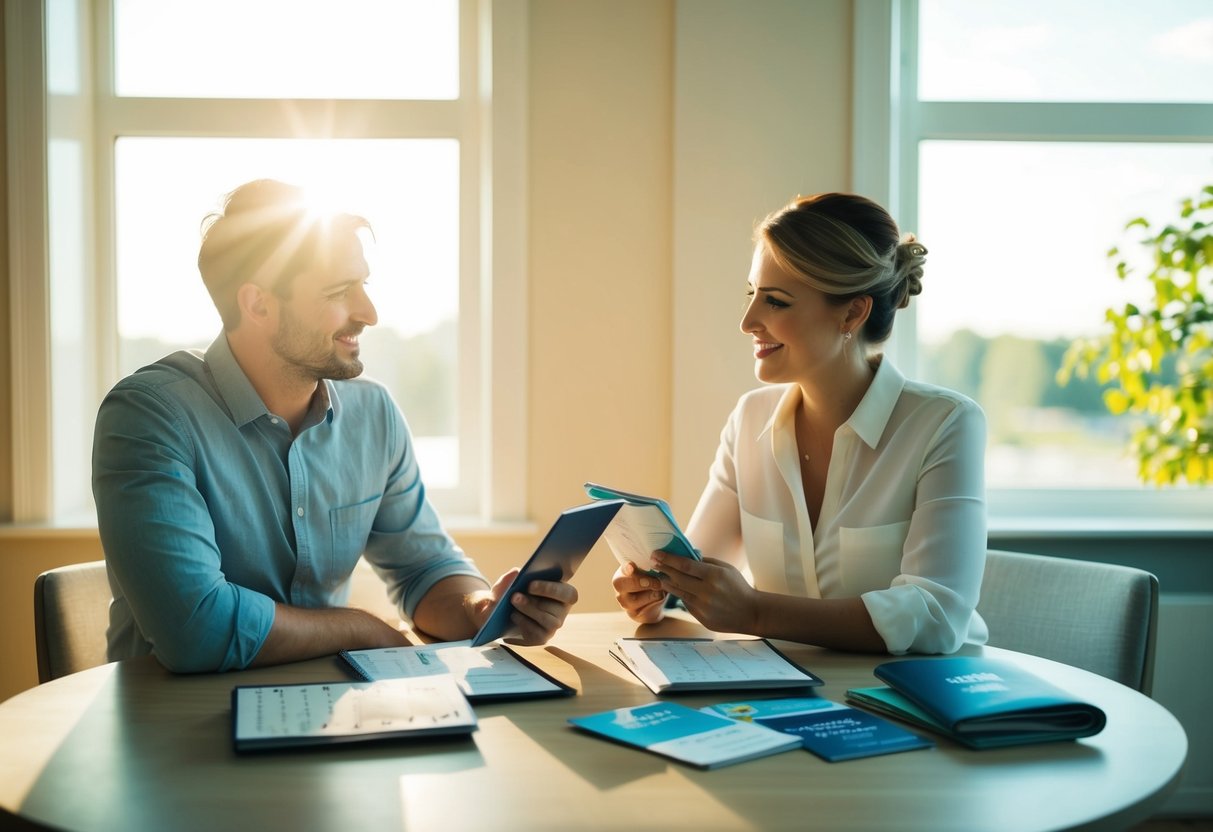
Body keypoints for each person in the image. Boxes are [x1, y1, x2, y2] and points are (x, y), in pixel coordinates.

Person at [93, 178, 576, 673]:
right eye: (340, 291)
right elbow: (196, 628)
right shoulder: (148, 417)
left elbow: (424, 569)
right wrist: (363, 629)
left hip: (327, 713)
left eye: (363, 285)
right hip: (171, 726)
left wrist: (481, 609)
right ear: (257, 303)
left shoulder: (373, 415)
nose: (369, 312)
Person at [613, 192, 988, 655]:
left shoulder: (945, 424)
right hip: (786, 696)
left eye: (776, 302)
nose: (748, 320)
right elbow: (694, 576)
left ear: (852, 311)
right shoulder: (749, 418)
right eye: (753, 294)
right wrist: (656, 591)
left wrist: (754, 611)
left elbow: (936, 615)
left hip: (917, 699)